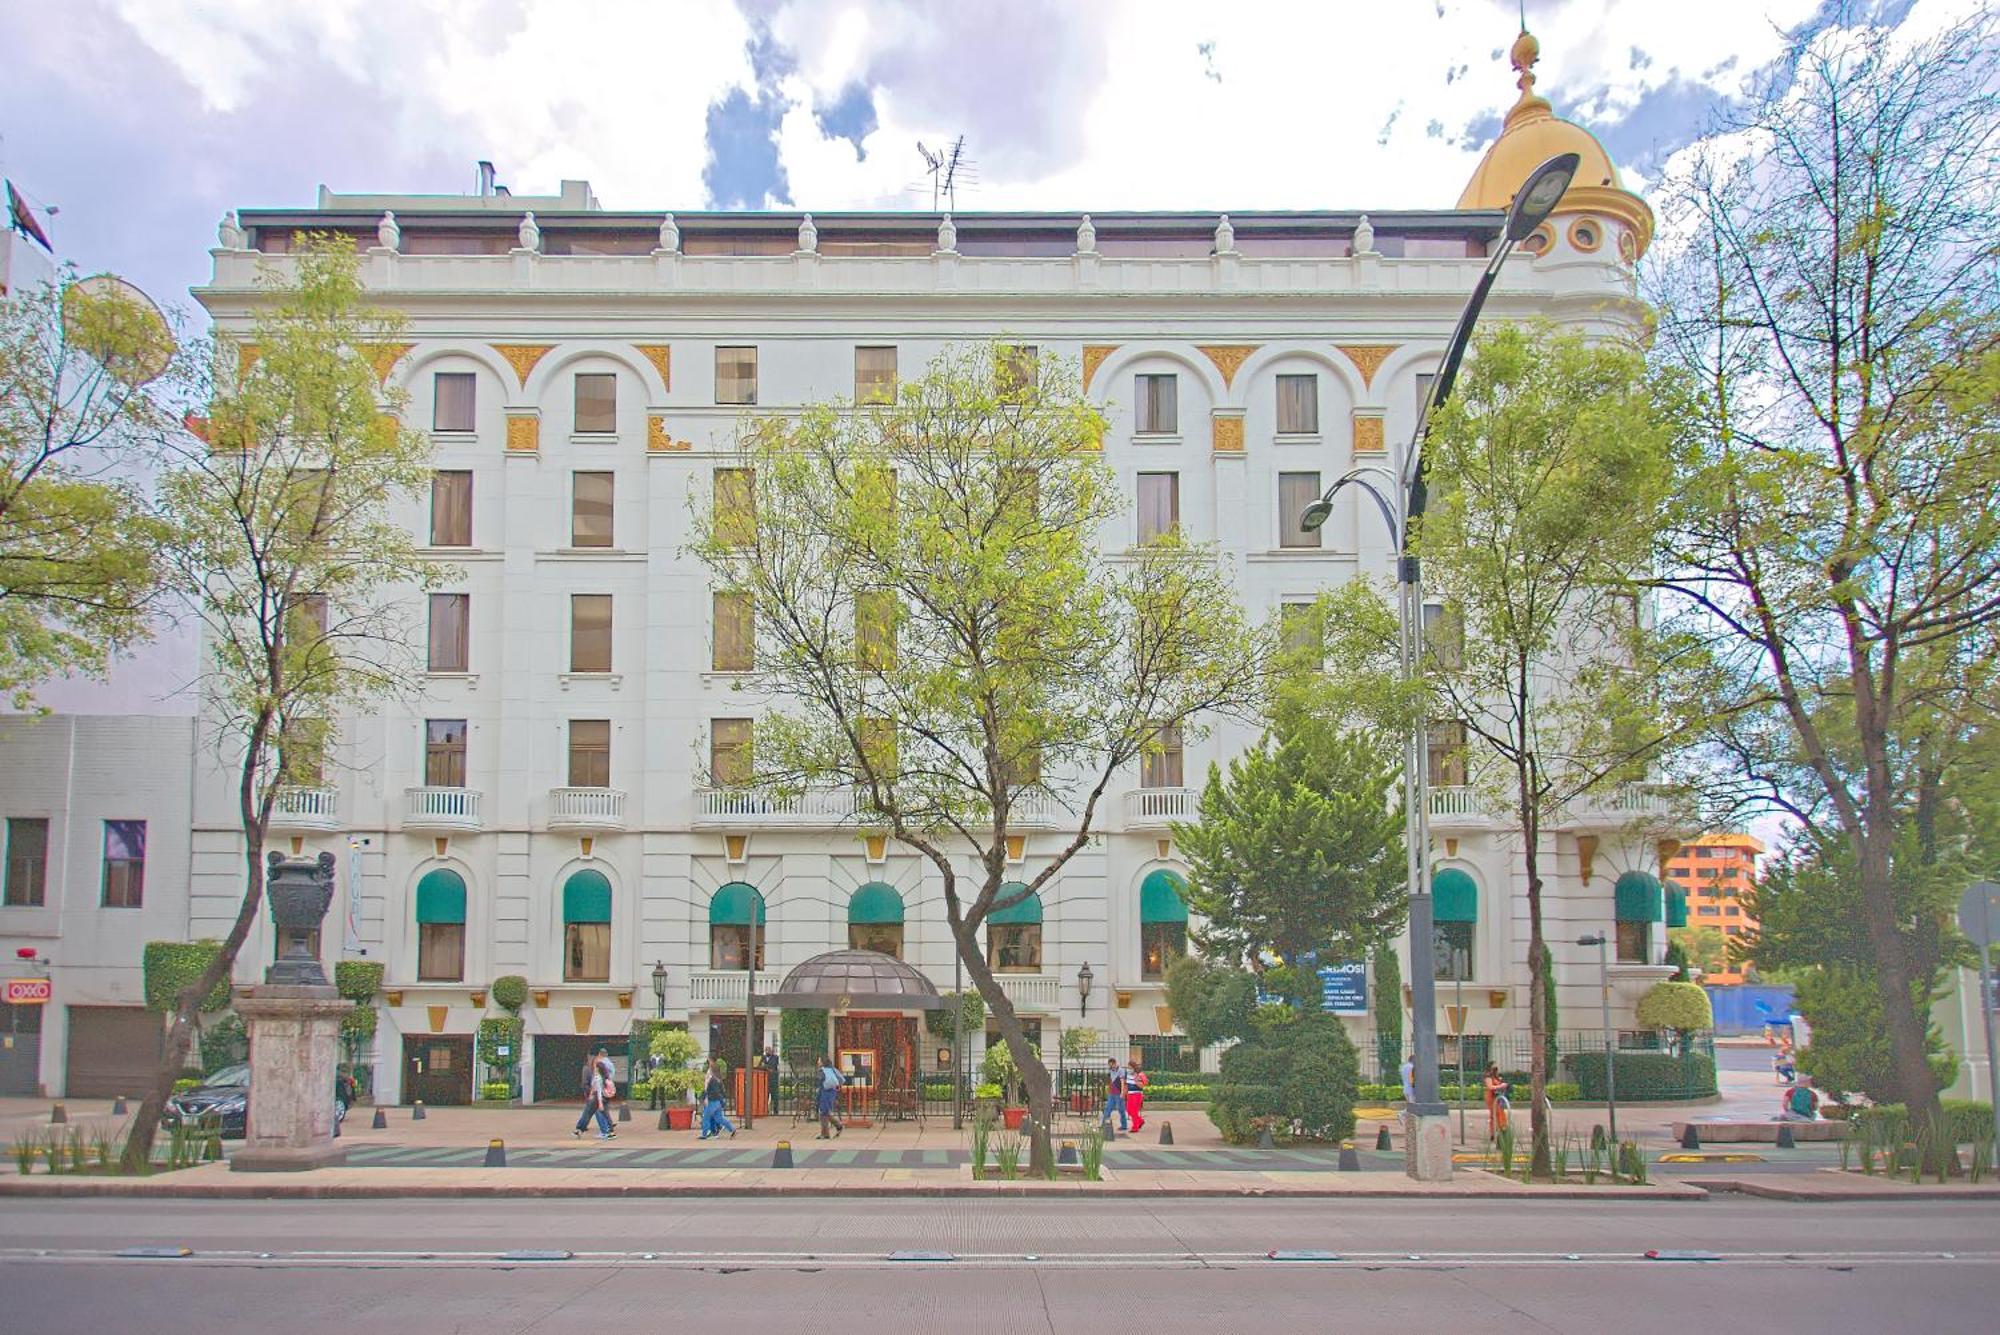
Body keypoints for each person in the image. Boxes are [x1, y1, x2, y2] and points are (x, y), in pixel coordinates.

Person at [573, 1054, 615, 1140]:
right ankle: (608, 1130)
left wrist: (597, 1101)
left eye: (595, 1066)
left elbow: (597, 1089)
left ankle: (605, 1131)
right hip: (602, 1097)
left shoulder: (597, 1077)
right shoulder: (604, 1076)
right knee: (601, 1113)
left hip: (597, 1098)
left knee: (590, 1113)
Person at [699, 1058, 737, 1139]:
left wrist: (704, 1096)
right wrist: (722, 1101)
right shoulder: (719, 1080)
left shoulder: (712, 1080)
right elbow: (722, 1091)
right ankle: (732, 1129)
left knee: (706, 1117)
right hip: (718, 1102)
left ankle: (704, 1134)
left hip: (712, 1101)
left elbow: (713, 1091)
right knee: (719, 1118)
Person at [815, 1054, 845, 1139]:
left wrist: (817, 1092)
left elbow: (819, 1083)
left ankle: (825, 1133)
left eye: (819, 1060)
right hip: (832, 1091)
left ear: (822, 1062)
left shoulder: (821, 1071)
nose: (818, 1062)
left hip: (824, 1091)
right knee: (825, 1111)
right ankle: (837, 1126)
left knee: (824, 1111)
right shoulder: (833, 1069)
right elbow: (841, 1079)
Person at [1482, 1063, 1509, 1137]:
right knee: (1495, 1113)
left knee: (1499, 1113)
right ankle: (1498, 1130)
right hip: (1491, 1097)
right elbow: (1490, 1087)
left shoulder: (1495, 1077)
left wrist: (1502, 1085)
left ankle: (1499, 1130)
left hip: (1497, 1097)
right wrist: (1501, 1086)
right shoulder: (1488, 1077)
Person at [1101, 1058, 1127, 1131]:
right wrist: (1108, 1090)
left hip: (1119, 1093)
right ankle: (1104, 1124)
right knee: (1107, 1109)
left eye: (1112, 1065)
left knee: (1121, 1109)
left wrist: (1122, 1092)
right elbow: (1110, 1081)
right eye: (1110, 1065)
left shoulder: (1121, 1070)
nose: (1111, 1067)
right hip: (1112, 1094)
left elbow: (1122, 1082)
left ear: (1115, 1063)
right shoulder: (1110, 1070)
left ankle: (1124, 1125)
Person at [1125, 1056, 1148, 1133]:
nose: (1128, 1069)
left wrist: (1136, 1080)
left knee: (1134, 1111)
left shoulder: (1140, 1074)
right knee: (1128, 1110)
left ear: (1133, 1067)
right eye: (1128, 1068)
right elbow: (1127, 1085)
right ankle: (1140, 1121)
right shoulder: (1128, 1074)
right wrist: (1124, 1092)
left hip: (1137, 1094)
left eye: (1130, 1067)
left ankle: (1135, 1127)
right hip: (1130, 1094)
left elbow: (1142, 1085)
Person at [761, 1044, 781, 1118]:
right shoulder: (763, 1057)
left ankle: (775, 1111)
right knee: (765, 1095)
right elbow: (760, 1065)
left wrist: (766, 1067)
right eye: (766, 1050)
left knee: (774, 1096)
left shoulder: (775, 1057)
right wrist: (765, 1067)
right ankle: (765, 1110)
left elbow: (774, 1065)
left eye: (769, 1050)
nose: (767, 1051)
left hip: (773, 1079)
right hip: (765, 1080)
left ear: (771, 1051)